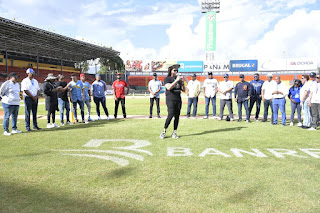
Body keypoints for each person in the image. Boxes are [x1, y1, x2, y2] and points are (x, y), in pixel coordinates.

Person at [160, 64, 185, 139]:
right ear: (171, 71)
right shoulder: (167, 79)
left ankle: (174, 132)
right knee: (170, 115)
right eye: (174, 70)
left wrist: (182, 83)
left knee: (177, 116)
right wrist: (176, 80)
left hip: (178, 99)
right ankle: (164, 131)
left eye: (177, 70)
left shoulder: (178, 79)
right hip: (170, 99)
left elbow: (183, 90)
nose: (176, 72)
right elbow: (169, 88)